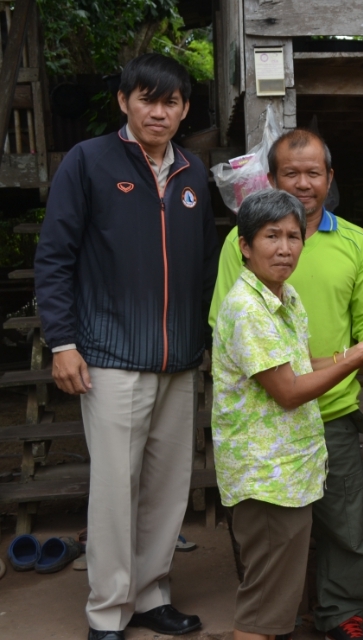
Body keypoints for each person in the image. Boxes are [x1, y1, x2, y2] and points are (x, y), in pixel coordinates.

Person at [34, 53, 217, 640]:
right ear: (124, 101)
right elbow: (54, 257)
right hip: (109, 357)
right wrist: (62, 341)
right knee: (116, 490)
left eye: (170, 102)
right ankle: (108, 611)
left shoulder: (193, 172)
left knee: (166, 489)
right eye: (147, 99)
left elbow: (206, 268)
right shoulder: (88, 161)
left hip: (180, 359)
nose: (158, 112)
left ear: (184, 110)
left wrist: (205, 341)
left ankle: (151, 595)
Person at [209, 128, 363, 640]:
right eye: (290, 173)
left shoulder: (341, 253)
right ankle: (275, 620)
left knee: (342, 527)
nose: (303, 183)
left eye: (313, 173)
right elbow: (254, 352)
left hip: (328, 414)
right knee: (273, 554)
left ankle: (341, 614)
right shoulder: (246, 274)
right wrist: (361, 355)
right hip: (266, 441)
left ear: (330, 178)